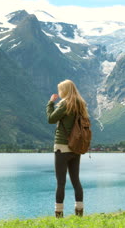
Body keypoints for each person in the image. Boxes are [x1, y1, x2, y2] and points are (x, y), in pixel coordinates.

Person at [46, 79, 88, 218]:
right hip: (76, 147)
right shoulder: (81, 104)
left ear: (65, 90)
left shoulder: (65, 103)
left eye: (60, 90)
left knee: (61, 182)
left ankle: (59, 214)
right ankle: (79, 212)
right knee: (76, 180)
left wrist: (50, 103)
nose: (59, 92)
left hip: (62, 147)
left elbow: (51, 119)